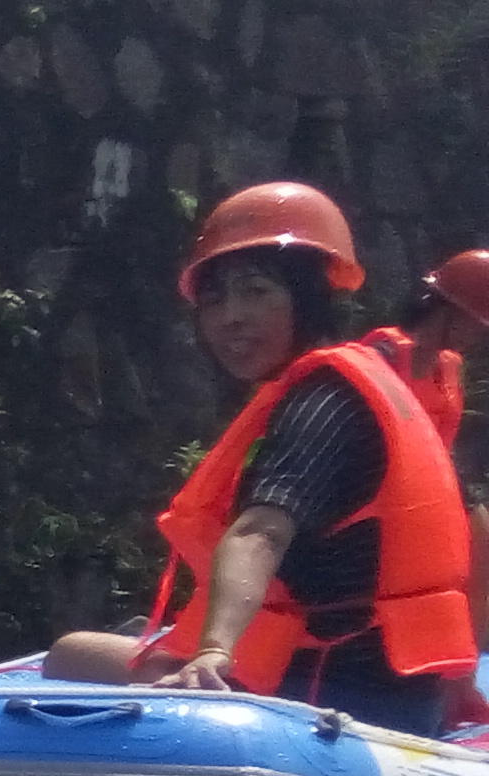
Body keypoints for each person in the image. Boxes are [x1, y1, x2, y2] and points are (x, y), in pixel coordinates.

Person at [46, 184, 478, 733]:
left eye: (256, 292)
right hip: (403, 690)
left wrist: (212, 653)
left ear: (309, 298)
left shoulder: (323, 400)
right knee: (129, 642)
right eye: (214, 301)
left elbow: (260, 532)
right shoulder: (378, 381)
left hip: (330, 690)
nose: (231, 317)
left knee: (70, 654)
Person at [361, 248, 489, 445]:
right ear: (448, 309)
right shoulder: (383, 355)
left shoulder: (451, 367)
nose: (477, 337)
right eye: (475, 325)